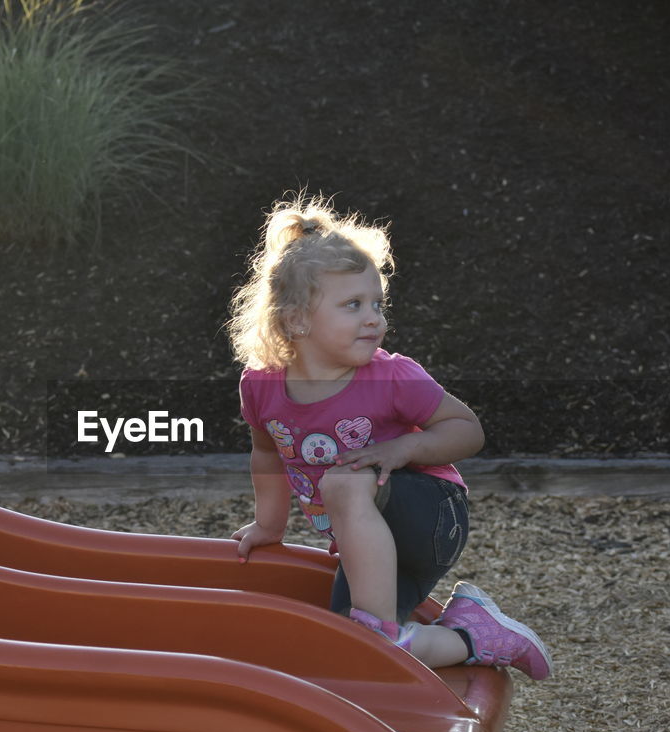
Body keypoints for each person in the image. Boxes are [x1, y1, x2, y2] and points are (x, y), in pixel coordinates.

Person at [226, 193, 552, 679]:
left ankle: (380, 625)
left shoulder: (392, 376)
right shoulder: (261, 387)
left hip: (430, 517)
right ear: (295, 319)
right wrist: (269, 527)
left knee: (344, 480)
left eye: (378, 303)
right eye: (353, 305)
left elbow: (467, 430)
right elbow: (266, 453)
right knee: (356, 651)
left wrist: (402, 448)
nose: (374, 317)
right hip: (371, 543)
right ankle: (475, 634)